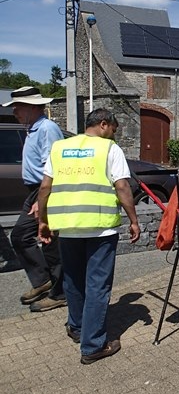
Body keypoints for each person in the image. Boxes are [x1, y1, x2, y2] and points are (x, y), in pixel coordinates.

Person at [38, 108, 140, 365]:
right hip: (99, 227)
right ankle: (93, 345)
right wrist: (134, 220)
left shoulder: (59, 147)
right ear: (104, 124)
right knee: (97, 285)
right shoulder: (109, 149)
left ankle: (77, 327)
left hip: (68, 227)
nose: (113, 136)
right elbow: (122, 186)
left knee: (73, 280)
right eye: (113, 131)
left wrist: (43, 221)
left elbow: (45, 187)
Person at [2, 86, 66, 311]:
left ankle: (59, 292)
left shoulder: (47, 128)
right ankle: (44, 282)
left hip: (45, 189)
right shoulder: (33, 128)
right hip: (36, 190)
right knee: (26, 238)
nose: (15, 112)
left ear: (31, 107)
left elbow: (54, 166)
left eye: (17, 107)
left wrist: (43, 200)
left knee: (43, 240)